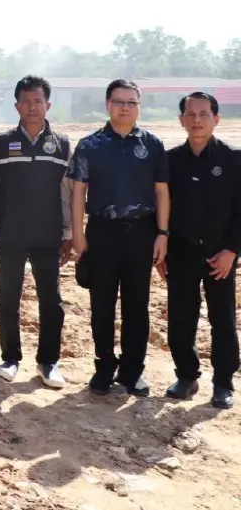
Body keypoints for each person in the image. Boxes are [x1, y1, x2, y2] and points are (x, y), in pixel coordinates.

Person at [69, 79, 170, 396]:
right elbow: (77, 193)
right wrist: (78, 235)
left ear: (139, 106)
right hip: (102, 233)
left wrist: (162, 234)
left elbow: (162, 192)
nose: (125, 107)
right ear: (107, 104)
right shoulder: (90, 145)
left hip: (141, 233)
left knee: (137, 306)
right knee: (101, 305)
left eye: (132, 102)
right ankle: (103, 367)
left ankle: (131, 372)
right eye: (119, 101)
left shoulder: (152, 145)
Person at [0, 75, 72, 388]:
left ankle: (49, 362)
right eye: (26, 101)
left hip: (48, 235)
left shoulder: (60, 144)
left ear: (47, 104)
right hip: (11, 233)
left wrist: (68, 233)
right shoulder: (2, 143)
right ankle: (10, 358)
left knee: (51, 301)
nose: (32, 107)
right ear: (16, 105)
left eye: (38, 101)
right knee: (8, 298)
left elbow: (66, 193)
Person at [163, 92, 241, 409]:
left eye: (204, 114)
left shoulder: (234, 159)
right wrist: (162, 248)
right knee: (181, 317)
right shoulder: (169, 161)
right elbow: (161, 208)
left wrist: (232, 251)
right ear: (181, 119)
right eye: (190, 114)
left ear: (216, 119)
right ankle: (186, 375)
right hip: (180, 252)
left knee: (222, 318)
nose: (197, 120)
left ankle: (223, 382)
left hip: (219, 254)